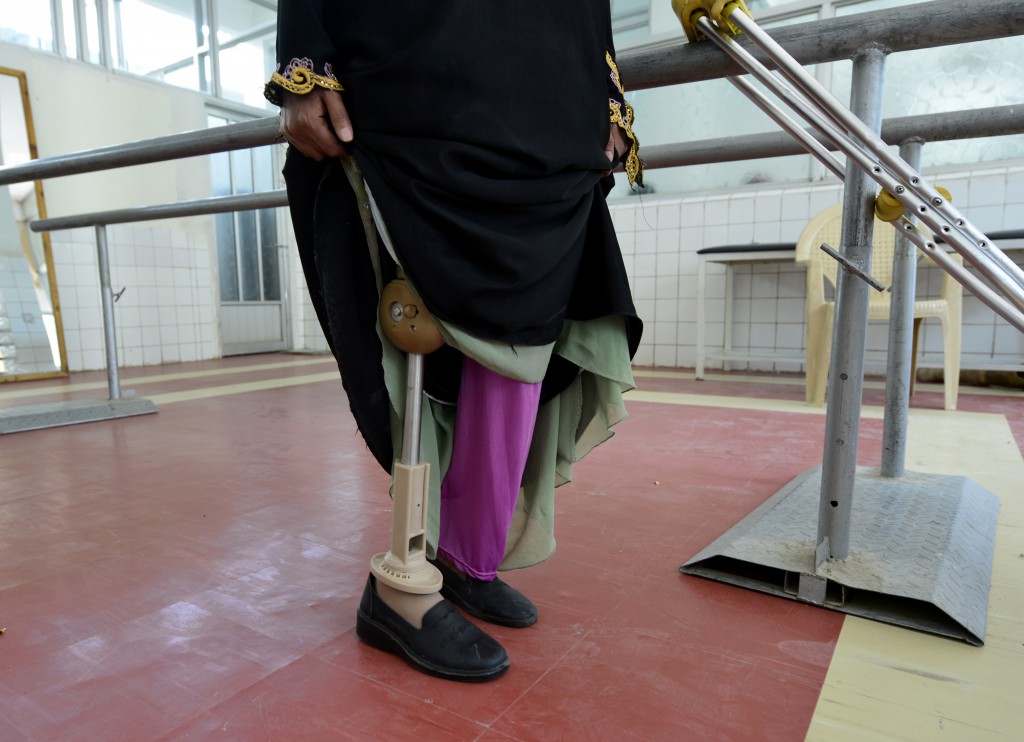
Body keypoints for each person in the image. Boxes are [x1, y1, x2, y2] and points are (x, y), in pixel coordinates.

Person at [266, 1, 644, 682]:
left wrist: (608, 92)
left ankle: (463, 556)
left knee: (521, 357)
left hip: (548, 114)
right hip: (409, 86)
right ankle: (400, 586)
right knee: (414, 339)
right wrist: (302, 56)